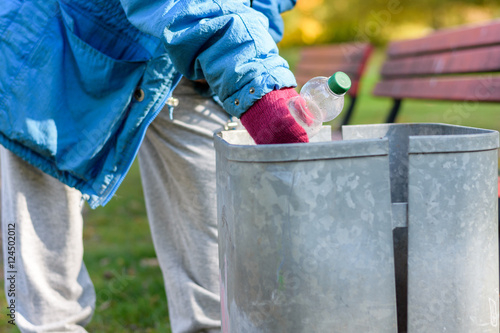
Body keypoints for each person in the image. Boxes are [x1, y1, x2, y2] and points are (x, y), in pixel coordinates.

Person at [0, 0, 308, 332]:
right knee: (38, 241)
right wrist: (253, 77)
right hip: (58, 38)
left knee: (215, 261)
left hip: (188, 55)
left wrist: (250, 42)